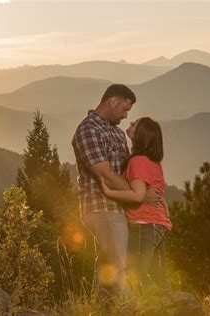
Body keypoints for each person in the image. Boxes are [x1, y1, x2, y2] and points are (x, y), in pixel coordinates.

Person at [71, 84, 160, 297]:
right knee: (120, 268)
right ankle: (130, 309)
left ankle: (97, 308)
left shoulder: (117, 133)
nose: (126, 115)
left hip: (120, 207)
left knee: (108, 267)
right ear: (113, 102)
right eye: (124, 109)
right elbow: (107, 176)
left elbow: (129, 171)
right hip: (102, 207)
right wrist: (141, 195)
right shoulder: (88, 130)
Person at [101, 117, 172, 291]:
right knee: (159, 275)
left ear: (142, 135)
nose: (130, 124)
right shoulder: (153, 161)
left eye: (135, 124)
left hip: (144, 224)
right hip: (158, 223)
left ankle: (153, 307)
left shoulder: (137, 161)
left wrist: (109, 192)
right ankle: (171, 306)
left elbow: (138, 196)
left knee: (137, 273)